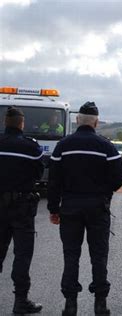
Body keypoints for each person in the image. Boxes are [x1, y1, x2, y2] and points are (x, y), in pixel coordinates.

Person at [47, 102, 122, 316]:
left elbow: (53, 181)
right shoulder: (106, 147)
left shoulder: (63, 145)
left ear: (76, 120)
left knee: (71, 255)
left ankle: (70, 304)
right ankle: (100, 304)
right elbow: (119, 177)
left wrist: (54, 209)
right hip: (97, 208)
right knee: (99, 255)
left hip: (70, 206)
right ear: (96, 122)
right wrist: (104, 193)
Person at [0, 107, 44, 314]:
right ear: (21, 124)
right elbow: (38, 172)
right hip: (21, 206)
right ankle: (20, 301)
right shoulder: (31, 147)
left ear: (5, 123)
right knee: (22, 254)